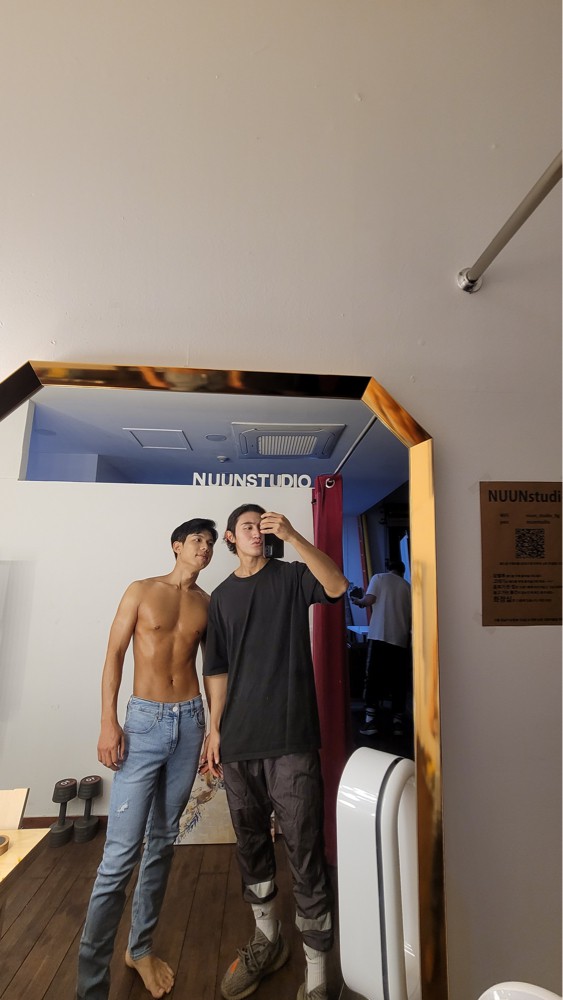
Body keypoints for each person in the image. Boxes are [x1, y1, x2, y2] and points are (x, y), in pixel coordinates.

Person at [203, 503, 348, 1000]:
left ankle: (318, 969)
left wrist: (295, 537)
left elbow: (337, 586)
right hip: (239, 741)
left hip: (290, 737)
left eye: (262, 525)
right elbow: (217, 669)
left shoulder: (291, 576)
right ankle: (268, 940)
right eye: (247, 526)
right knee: (251, 845)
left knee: (304, 848)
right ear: (229, 538)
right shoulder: (221, 598)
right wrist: (214, 730)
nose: (257, 531)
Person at [76, 518, 218, 1000]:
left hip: (190, 722)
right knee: (118, 858)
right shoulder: (141, 590)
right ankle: (90, 986)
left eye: (210, 543)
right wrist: (108, 721)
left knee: (162, 843)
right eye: (197, 540)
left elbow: (214, 669)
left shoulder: (206, 604)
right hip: (143, 722)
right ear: (176, 546)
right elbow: (114, 655)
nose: (205, 548)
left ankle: (139, 949)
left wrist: (213, 729)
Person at [350, 559, 411, 736]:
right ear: (402, 571)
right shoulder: (408, 587)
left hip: (379, 636)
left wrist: (358, 601)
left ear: (388, 568)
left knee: (373, 678)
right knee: (399, 680)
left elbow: (369, 600)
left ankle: (370, 721)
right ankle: (398, 723)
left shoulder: (379, 578)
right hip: (401, 639)